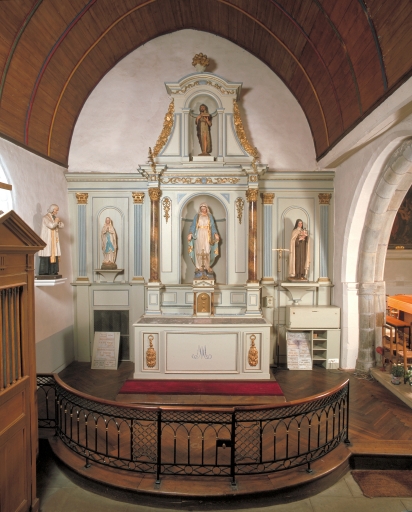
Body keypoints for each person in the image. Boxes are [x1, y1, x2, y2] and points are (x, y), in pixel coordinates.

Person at [187, 203, 219, 274]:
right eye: (201, 209)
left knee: (207, 249)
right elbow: (193, 225)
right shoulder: (197, 216)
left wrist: (215, 233)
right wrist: (190, 233)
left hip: (207, 234)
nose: (203, 210)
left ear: (206, 208)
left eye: (204, 209)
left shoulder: (210, 216)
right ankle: (198, 266)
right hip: (199, 233)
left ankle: (207, 266)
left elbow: (213, 226)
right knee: (198, 249)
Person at [38, 204, 64, 275]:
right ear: (52, 209)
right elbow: (51, 226)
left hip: (53, 240)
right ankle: (45, 271)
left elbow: (62, 226)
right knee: (47, 253)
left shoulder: (54, 217)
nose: (57, 212)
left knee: (54, 253)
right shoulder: (45, 218)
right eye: (56, 210)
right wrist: (56, 221)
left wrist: (58, 221)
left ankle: (53, 271)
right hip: (48, 239)